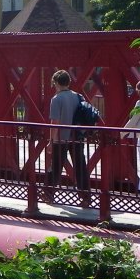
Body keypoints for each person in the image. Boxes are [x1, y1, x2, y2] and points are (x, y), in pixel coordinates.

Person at [46, 69, 91, 206]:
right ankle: (85, 197)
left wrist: (50, 141)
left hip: (61, 137)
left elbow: (55, 122)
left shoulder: (56, 99)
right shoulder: (79, 96)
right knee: (80, 166)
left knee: (56, 165)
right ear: (68, 82)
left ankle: (48, 193)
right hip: (77, 136)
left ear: (56, 83)